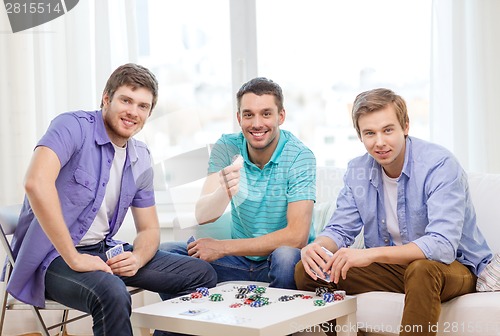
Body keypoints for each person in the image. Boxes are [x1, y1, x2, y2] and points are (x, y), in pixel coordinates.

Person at [6, 63, 217, 336]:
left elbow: (149, 229)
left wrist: (138, 258)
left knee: (201, 275)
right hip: (52, 258)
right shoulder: (72, 126)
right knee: (113, 292)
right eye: (126, 100)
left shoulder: (140, 156)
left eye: (143, 106)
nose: (133, 112)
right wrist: (75, 258)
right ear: (106, 98)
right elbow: (35, 183)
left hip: (102, 251)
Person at [295, 88, 493, 336]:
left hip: (452, 268)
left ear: (405, 126)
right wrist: (318, 247)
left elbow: (442, 245)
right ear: (360, 136)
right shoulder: (358, 171)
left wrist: (370, 255)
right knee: (307, 271)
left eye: (388, 130)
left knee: (421, 270)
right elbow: (339, 229)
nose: (379, 142)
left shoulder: (439, 164)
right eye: (370, 133)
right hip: (395, 270)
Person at [161, 77, 316, 289]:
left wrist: (223, 247)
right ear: (238, 117)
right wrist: (223, 191)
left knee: (286, 256)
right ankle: (198, 319)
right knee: (167, 253)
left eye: (266, 114)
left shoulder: (300, 156)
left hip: (277, 263)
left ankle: (273, 320)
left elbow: (297, 237)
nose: (257, 123)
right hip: (237, 262)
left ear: (281, 116)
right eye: (248, 114)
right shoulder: (227, 146)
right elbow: (203, 215)